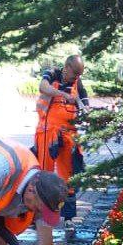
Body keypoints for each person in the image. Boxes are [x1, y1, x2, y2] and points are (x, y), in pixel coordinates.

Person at [34, 56, 89, 235]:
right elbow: (43, 87)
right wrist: (64, 95)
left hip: (69, 135)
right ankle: (38, 215)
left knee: (69, 178)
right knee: (43, 174)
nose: (75, 79)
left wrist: (85, 109)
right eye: (74, 74)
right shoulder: (52, 74)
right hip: (47, 133)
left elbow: (85, 103)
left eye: (78, 76)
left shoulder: (78, 83)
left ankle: (69, 218)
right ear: (66, 68)